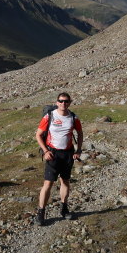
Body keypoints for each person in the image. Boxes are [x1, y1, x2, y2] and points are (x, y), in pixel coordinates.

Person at [35, 92, 83, 226]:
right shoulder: (49, 116)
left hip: (67, 154)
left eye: (66, 101)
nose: (63, 103)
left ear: (70, 103)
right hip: (53, 153)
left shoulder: (73, 117)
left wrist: (78, 150)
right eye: (61, 101)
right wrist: (45, 151)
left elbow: (79, 133)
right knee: (48, 184)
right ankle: (41, 212)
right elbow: (38, 135)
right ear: (57, 102)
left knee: (65, 181)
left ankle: (64, 208)